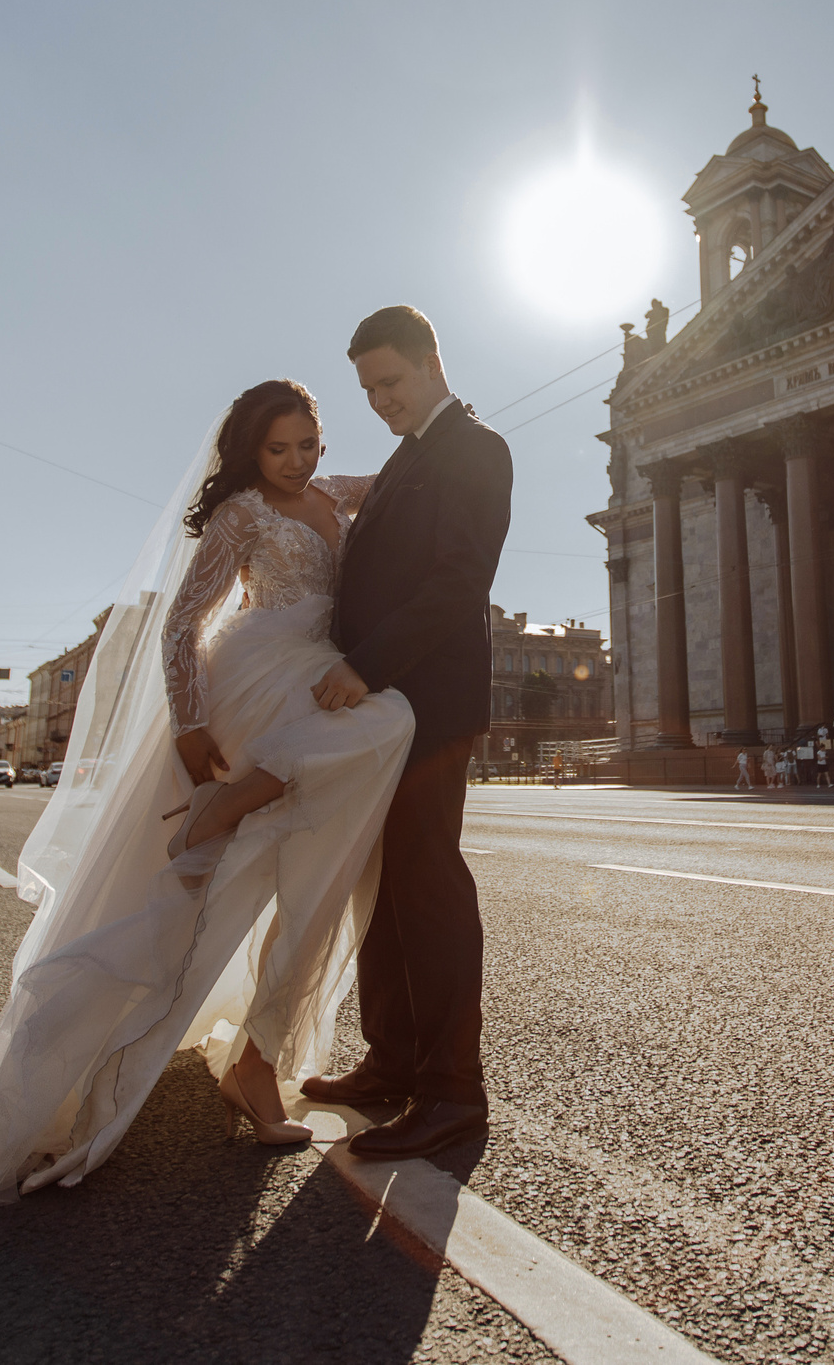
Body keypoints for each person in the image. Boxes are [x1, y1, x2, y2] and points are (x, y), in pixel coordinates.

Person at [0, 354, 481, 1222]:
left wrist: (451, 422)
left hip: (320, 674)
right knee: (343, 767)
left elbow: (410, 480)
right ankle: (241, 805)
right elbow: (185, 620)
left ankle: (260, 1054)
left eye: (308, 444)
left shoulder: (337, 494)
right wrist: (187, 727)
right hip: (258, 678)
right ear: (250, 453)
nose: (295, 460)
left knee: (324, 867)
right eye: (279, 447)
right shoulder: (241, 513)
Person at [296, 306, 514, 1162]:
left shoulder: (476, 446)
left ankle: (453, 1092)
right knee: (382, 887)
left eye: (389, 381)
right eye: (367, 388)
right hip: (388, 707)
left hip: (424, 701)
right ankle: (390, 1061)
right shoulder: (411, 453)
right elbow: (389, 526)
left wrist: (367, 664)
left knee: (428, 886)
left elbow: (459, 579)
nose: (379, 398)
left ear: (431, 361)